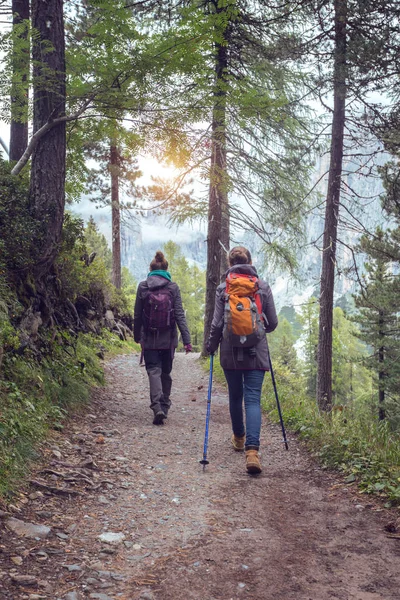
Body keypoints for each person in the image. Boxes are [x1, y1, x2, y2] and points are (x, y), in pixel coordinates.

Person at [206, 246, 278, 474]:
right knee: (253, 400)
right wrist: (258, 327)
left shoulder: (222, 289)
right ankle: (252, 452)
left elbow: (217, 324)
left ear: (230, 264)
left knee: (235, 395)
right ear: (250, 261)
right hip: (256, 352)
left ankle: (239, 438)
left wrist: (210, 347)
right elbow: (273, 323)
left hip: (230, 352)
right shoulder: (262, 286)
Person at [134, 251, 192, 424]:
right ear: (166, 269)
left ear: (151, 269)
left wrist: (137, 336)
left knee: (153, 370)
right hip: (168, 340)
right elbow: (180, 315)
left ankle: (157, 406)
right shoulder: (172, 288)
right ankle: (164, 405)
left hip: (150, 338)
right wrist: (187, 340)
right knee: (165, 372)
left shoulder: (143, 286)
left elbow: (137, 315)